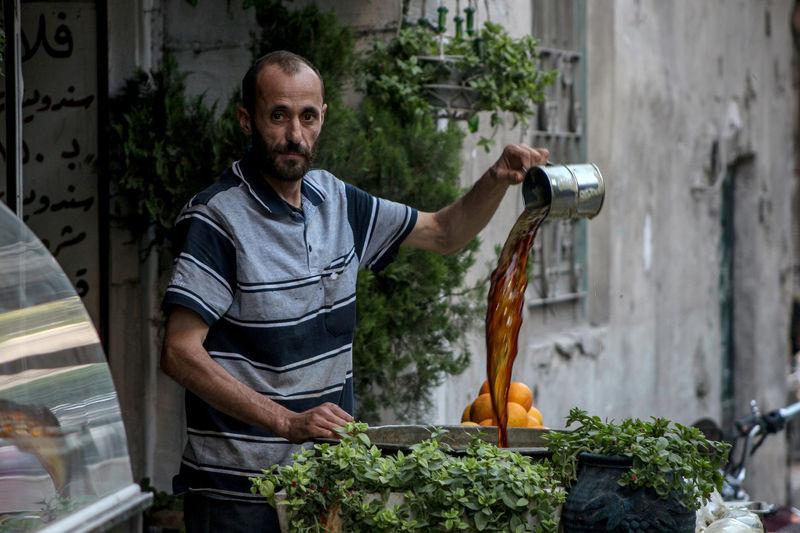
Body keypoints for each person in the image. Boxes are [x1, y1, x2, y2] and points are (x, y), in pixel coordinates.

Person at [160, 50, 549, 532]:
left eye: (307, 116)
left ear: (323, 117)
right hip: (238, 497)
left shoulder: (337, 201)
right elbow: (178, 353)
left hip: (323, 487)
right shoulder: (216, 219)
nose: (294, 135)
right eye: (277, 116)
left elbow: (446, 233)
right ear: (247, 120)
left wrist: (497, 177)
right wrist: (286, 422)